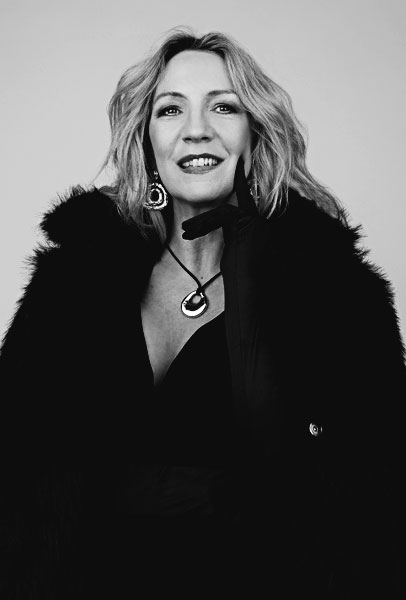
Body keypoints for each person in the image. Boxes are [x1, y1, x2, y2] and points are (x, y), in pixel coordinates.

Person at [0, 26, 404, 599]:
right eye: (171, 109)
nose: (197, 128)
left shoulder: (330, 291)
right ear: (147, 141)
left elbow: (371, 497)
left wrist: (250, 284)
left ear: (254, 132)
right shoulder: (72, 282)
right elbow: (17, 471)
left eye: (223, 106)